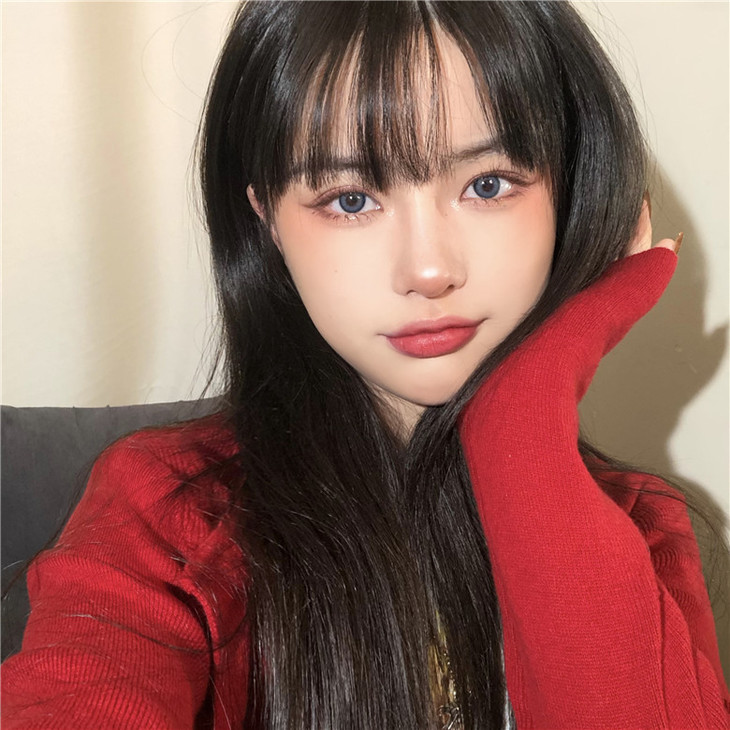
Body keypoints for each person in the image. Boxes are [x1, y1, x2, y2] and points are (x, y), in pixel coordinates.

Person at [3, 1, 729, 728]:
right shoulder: (167, 512)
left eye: (488, 184)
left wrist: (522, 427)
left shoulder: (640, 522)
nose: (429, 270)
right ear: (267, 219)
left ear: (568, 195)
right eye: (351, 199)